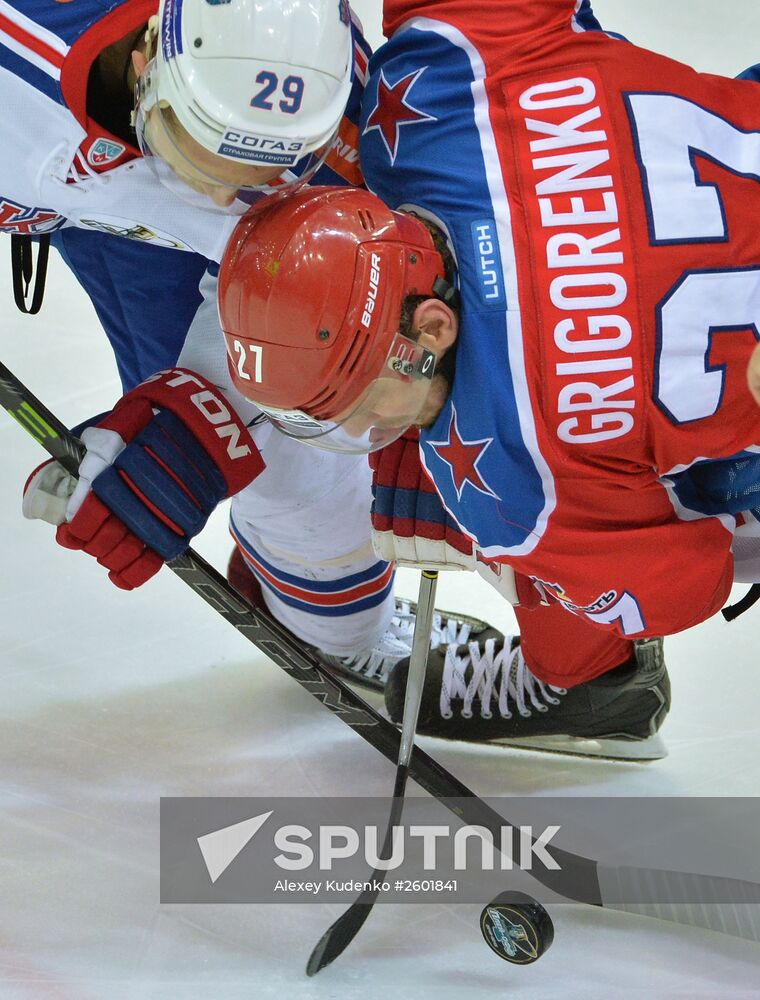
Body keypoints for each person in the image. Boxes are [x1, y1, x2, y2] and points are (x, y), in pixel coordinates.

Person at [215, 2, 760, 755]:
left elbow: (685, 582)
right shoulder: (442, 76)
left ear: (432, 330)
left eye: (352, 402)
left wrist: (519, 545)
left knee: (662, 512)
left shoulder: (511, 478)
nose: (356, 434)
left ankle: (582, 688)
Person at [10, 0, 496, 693]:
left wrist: (203, 422)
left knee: (297, 421)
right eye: (199, 159)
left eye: (272, 164)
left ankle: (343, 631)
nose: (220, 196)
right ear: (146, 66)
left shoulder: (317, 67)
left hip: (129, 160)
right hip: (95, 177)